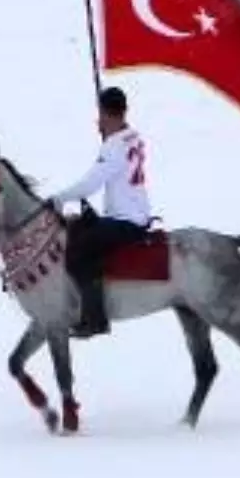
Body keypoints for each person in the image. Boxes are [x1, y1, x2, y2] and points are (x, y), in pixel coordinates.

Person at [45, 87, 153, 338]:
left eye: (101, 114)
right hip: (134, 213)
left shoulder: (113, 146)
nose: (98, 119)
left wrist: (58, 198)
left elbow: (90, 185)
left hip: (124, 222)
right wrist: (108, 137)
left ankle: (95, 319)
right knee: (79, 228)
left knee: (77, 253)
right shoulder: (132, 136)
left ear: (107, 113)